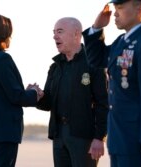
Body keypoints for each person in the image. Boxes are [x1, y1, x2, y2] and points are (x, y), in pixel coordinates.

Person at [82, 0, 141, 166]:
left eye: (120, 7)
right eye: (115, 8)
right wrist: (97, 27)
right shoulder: (121, 41)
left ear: (140, 9)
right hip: (119, 138)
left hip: (138, 140)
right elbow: (96, 58)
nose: (115, 13)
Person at [0, 13, 43, 167]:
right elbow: (16, 96)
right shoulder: (2, 59)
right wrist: (34, 93)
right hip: (3, 129)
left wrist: (25, 91)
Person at [36, 17, 109, 167]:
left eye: (60, 32)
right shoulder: (55, 67)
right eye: (54, 32)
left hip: (84, 138)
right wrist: (38, 95)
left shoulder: (94, 63)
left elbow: (104, 103)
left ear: (76, 34)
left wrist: (99, 137)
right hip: (59, 136)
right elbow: (48, 103)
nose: (55, 36)